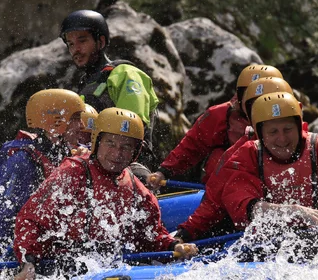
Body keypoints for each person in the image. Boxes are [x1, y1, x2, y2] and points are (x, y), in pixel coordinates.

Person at [174, 92, 318, 246]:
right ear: (259, 133)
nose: (282, 139)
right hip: (277, 244)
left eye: (288, 129)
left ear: (299, 126)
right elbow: (245, 207)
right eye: (273, 132)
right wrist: (295, 212)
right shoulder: (244, 157)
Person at [13, 108, 198, 279]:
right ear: (96, 142)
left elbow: (152, 235)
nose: (117, 153)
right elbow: (30, 219)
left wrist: (174, 246)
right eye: (110, 143)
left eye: (126, 146)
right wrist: (28, 262)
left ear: (135, 152)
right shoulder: (72, 173)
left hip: (104, 265)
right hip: (60, 264)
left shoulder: (136, 189)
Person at [0, 89, 85, 260]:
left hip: (44, 249)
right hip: (15, 255)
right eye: (75, 119)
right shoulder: (23, 161)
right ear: (55, 121)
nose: (82, 126)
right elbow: (0, 216)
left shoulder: (65, 155)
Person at [147, 64, 284, 188]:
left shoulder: (288, 119)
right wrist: (163, 172)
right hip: (221, 188)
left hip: (271, 185)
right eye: (250, 97)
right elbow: (191, 147)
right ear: (240, 96)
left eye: (264, 98)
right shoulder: (219, 115)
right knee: (218, 157)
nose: (256, 105)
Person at [59, 10, 160, 170]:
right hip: (93, 164)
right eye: (71, 44)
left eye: (82, 41)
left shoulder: (126, 74)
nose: (75, 49)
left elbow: (131, 128)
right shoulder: (86, 85)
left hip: (128, 166)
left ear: (101, 42)